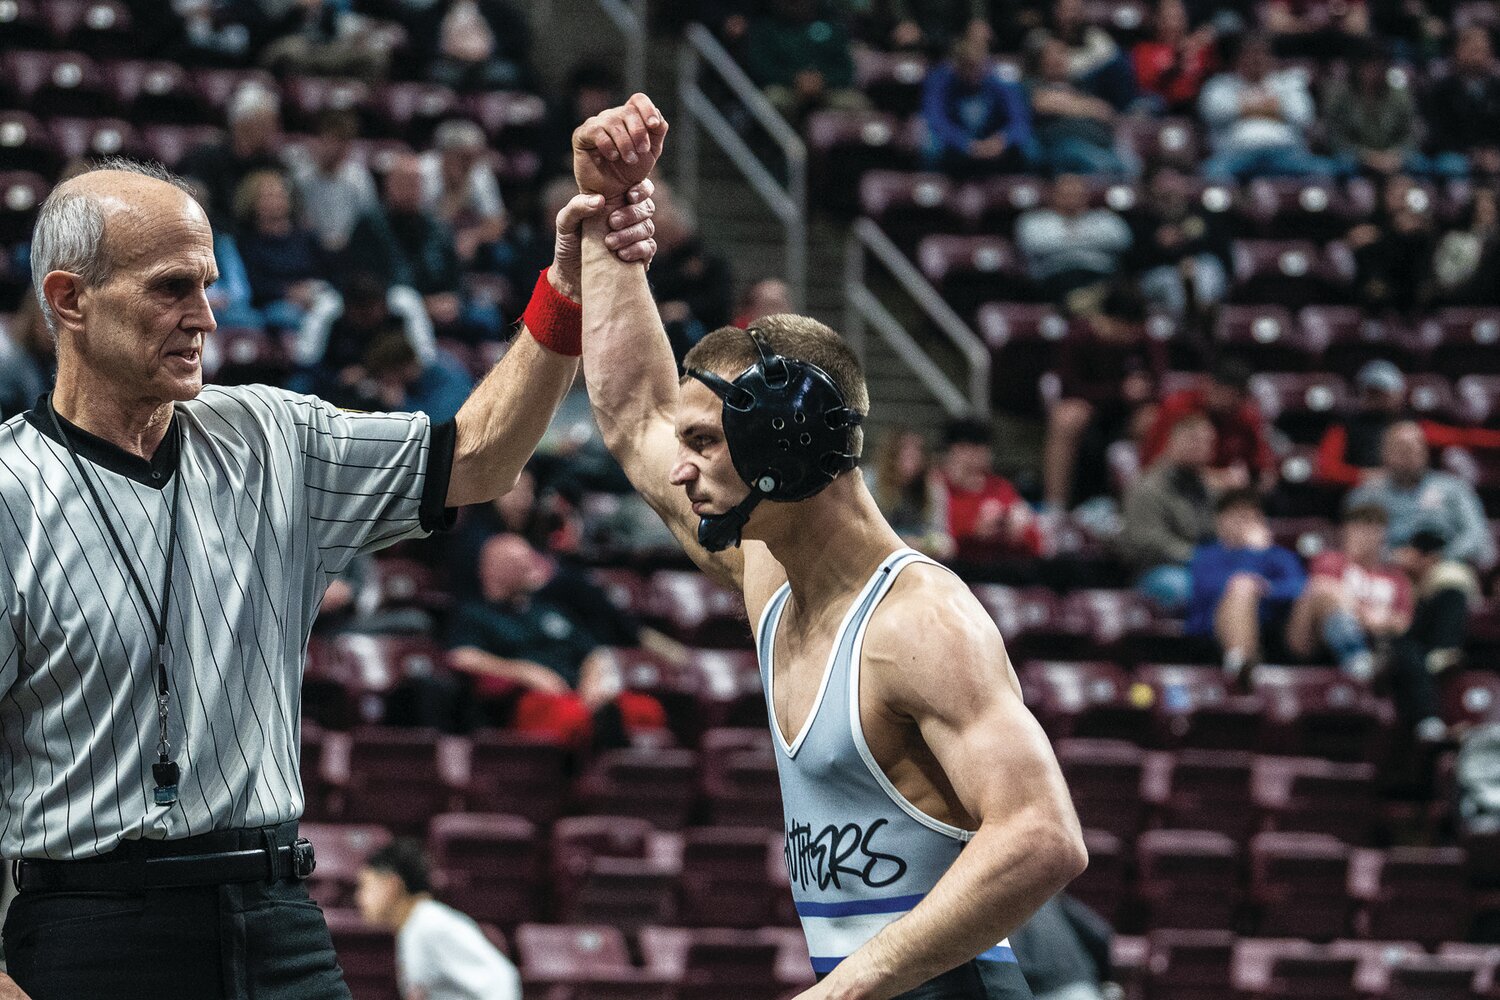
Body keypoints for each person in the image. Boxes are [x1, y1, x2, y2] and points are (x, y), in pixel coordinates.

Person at [0, 152, 656, 999]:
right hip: (90, 935)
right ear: (69, 299)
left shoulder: (272, 439)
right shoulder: (12, 496)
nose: (206, 315)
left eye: (208, 284)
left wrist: (566, 286)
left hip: (276, 918)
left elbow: (481, 458)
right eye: (171, 288)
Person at [576, 94, 1087, 1000]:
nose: (682, 469)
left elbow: (1044, 836)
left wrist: (846, 987)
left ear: (779, 447)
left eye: (708, 444)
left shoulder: (922, 622)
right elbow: (634, 418)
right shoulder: (770, 574)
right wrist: (613, 221)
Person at [446, 533, 672, 747]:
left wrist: (591, 685)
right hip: (531, 700)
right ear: (492, 569)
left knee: (647, 710)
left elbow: (592, 652)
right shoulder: (474, 614)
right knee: (574, 720)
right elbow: (462, 657)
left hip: (579, 695)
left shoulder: (549, 610)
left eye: (529, 557)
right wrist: (525, 671)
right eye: (519, 560)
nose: (531, 564)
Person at [355, 838, 522, 1000]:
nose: (358, 898)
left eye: (366, 886)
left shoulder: (431, 924)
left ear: (391, 885)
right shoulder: (413, 926)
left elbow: (502, 980)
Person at [1185, 488, 1307, 683]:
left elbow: (1298, 587)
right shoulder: (1206, 556)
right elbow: (1208, 591)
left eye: (1252, 518)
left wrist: (1267, 588)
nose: (1245, 524)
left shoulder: (1277, 555)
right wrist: (1251, 556)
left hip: (1273, 633)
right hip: (1214, 635)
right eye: (1239, 517)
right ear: (1220, 521)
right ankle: (1241, 671)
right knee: (1241, 589)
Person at [1345, 420, 1497, 570]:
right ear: (1385, 453)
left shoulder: (1453, 488)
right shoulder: (1368, 494)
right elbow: (1353, 544)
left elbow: (1476, 534)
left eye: (1416, 446)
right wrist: (1392, 557)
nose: (1410, 454)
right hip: (1384, 571)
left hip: (1444, 566)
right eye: (1402, 448)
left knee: (1452, 577)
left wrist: (1443, 556)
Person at [1284, 504, 1412, 679]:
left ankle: (1361, 661)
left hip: (1378, 643)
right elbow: (1322, 590)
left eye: (1371, 531)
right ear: (1345, 532)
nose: (1364, 537)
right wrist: (1365, 615)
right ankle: (1357, 658)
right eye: (1357, 530)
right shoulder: (1332, 561)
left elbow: (1402, 622)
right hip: (1318, 642)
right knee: (1326, 595)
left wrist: (1376, 622)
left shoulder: (1396, 577)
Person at [1198, 33, 1344, 179]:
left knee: (1324, 171)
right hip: (1236, 153)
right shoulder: (1219, 85)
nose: (1256, 60)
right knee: (1212, 173)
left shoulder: (1288, 83)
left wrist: (1245, 106)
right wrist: (1275, 106)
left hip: (1285, 153)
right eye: (1250, 55)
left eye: (1261, 55)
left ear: (1271, 59)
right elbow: (1215, 112)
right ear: (1239, 58)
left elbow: (1303, 116)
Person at [1119, 412, 1219, 611]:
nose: (1200, 447)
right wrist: (1197, 557)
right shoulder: (1147, 486)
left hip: (1204, 567)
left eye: (1207, 442)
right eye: (1192, 439)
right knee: (1190, 587)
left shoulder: (1210, 490)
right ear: (1172, 442)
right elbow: (1147, 541)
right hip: (1157, 571)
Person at [1390, 529, 1482, 739]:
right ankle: (1430, 724)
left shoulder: (1440, 578)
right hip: (1393, 645)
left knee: (1453, 593)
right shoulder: (1393, 575)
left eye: (1410, 552)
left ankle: (1443, 651)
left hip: (1423, 643)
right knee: (1407, 651)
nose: (1404, 557)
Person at [1140, 358, 1276, 492]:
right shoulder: (1178, 408)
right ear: (1210, 385)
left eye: (1236, 397)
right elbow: (1155, 465)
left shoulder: (1245, 417)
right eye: (1225, 394)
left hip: (1224, 496)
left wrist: (1253, 487)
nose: (1228, 402)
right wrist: (1214, 478)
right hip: (1173, 489)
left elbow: (1263, 468)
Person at [921, 36, 1035, 178]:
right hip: (958, 142)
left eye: (978, 66)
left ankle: (1019, 188)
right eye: (968, 66)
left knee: (1028, 146)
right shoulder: (940, 80)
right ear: (956, 65)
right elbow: (935, 119)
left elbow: (1019, 121)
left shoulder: (1002, 80)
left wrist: (1001, 140)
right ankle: (936, 187)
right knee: (930, 145)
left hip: (994, 141)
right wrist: (965, 143)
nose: (974, 72)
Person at [1015, 174, 1133, 307]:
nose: (1072, 199)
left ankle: (1087, 303)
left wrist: (1066, 239)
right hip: (1056, 276)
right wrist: (1090, 239)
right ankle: (1086, 304)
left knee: (1125, 293)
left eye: (1077, 194)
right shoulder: (1036, 220)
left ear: (1086, 196)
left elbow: (1122, 241)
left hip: (1101, 275)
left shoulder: (1104, 218)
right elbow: (1033, 244)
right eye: (1066, 194)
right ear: (1053, 195)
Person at [939, 418, 1045, 566]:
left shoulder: (1000, 488)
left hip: (1003, 569)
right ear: (952, 451)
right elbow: (935, 540)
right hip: (955, 570)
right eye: (967, 450)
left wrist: (1018, 532)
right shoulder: (936, 486)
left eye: (980, 450)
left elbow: (1036, 544)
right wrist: (973, 532)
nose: (975, 458)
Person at [745, 0, 872, 124]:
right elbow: (760, 68)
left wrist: (823, 80)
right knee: (770, 101)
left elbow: (846, 68)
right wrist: (794, 79)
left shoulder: (830, 24)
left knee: (857, 104)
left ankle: (849, 144)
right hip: (785, 87)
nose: (796, 4)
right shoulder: (765, 28)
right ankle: (779, 144)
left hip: (827, 88)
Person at [231, 168, 328, 330]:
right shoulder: (246, 241)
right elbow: (252, 284)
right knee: (287, 315)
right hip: (273, 303)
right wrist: (288, 293)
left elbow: (323, 271)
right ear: (253, 202)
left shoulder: (305, 236)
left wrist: (311, 290)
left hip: (313, 295)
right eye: (269, 196)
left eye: (280, 194)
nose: (277, 200)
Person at [179, 82, 284, 222]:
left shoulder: (272, 164)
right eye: (266, 123)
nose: (274, 129)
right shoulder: (207, 158)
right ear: (243, 124)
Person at [282, 107, 381, 255]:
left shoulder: (359, 178)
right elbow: (292, 220)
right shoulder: (300, 178)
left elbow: (369, 222)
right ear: (320, 140)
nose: (335, 149)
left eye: (343, 143)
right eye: (331, 141)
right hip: (309, 250)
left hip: (350, 252)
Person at [1027, 36, 1131, 176]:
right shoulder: (1033, 84)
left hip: (1102, 145)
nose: (1058, 59)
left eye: (1062, 53)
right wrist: (1088, 107)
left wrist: (1072, 105)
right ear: (1040, 60)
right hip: (1065, 146)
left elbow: (1106, 111)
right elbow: (1043, 104)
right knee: (1107, 166)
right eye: (1051, 54)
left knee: (1133, 165)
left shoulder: (1080, 85)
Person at [1344, 174, 1436, 317]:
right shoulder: (1370, 221)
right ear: (1384, 195)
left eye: (1405, 193)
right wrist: (1390, 233)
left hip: (1411, 293)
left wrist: (1413, 232)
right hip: (1375, 297)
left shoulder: (1422, 228)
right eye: (1395, 193)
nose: (1401, 199)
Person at [1423, 26, 1500, 180]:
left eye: (1481, 49)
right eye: (1471, 49)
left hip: (1493, 155)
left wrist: (1493, 152)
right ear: (1457, 51)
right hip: (1456, 156)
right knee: (1452, 166)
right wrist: (1472, 154)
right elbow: (1436, 134)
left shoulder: (1497, 89)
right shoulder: (1441, 90)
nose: (1476, 55)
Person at [870, 430, 956, 560]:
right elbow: (866, 532)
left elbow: (942, 537)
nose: (912, 458)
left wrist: (925, 544)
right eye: (905, 453)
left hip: (918, 556)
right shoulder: (870, 482)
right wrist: (902, 541)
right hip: (881, 554)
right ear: (891, 456)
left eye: (917, 453)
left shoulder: (932, 487)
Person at [1132, 0, 1219, 113]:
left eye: (1179, 13)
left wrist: (1211, 38)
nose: (1176, 18)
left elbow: (1213, 73)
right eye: (1169, 14)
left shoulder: (1203, 47)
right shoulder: (1144, 51)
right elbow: (1147, 86)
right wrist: (1181, 55)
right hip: (1163, 109)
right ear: (1157, 19)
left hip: (1197, 108)